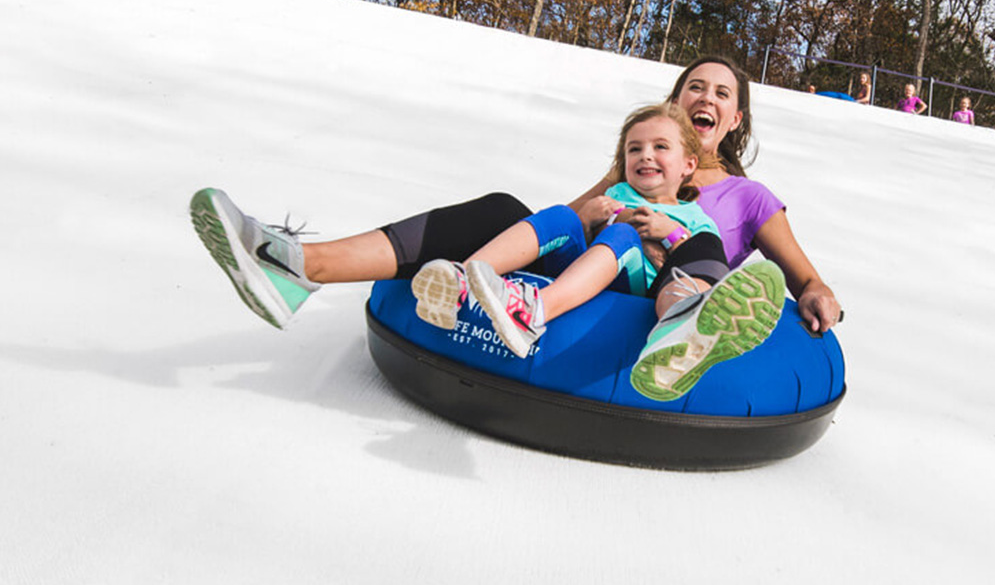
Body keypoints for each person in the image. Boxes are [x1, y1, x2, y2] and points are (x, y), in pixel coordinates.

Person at [191, 55, 842, 349]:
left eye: (721, 93)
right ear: (674, 110)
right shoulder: (638, 166)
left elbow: (801, 273)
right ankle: (302, 265)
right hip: (599, 271)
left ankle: (685, 324)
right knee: (506, 206)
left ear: (734, 119)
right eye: (693, 87)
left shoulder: (747, 196)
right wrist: (608, 205)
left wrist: (813, 290)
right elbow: (566, 221)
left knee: (682, 244)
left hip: (663, 288)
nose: (706, 96)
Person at [408, 104, 785, 400]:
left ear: (688, 165)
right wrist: (585, 217)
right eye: (634, 149)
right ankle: (466, 278)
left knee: (623, 235)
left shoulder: (693, 216)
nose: (645, 156)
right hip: (582, 270)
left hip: (633, 283)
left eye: (660, 147)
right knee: (559, 214)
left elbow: (699, 260)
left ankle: (535, 311)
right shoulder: (614, 195)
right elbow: (575, 232)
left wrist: (669, 232)